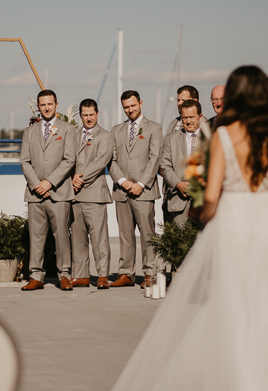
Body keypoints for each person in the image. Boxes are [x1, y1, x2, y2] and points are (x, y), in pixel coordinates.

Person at [112, 66, 268, 390]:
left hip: (234, 217)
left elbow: (208, 196)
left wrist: (211, 214)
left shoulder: (223, 135)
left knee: (232, 298)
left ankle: (234, 372)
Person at [20, 89, 78, 291]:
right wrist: (38, 184)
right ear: (38, 107)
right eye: (42, 104)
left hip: (59, 192)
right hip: (35, 194)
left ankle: (64, 275)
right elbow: (24, 162)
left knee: (62, 235)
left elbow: (69, 160)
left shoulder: (68, 130)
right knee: (36, 236)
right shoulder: (29, 132)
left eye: (50, 104)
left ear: (56, 104)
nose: (46, 107)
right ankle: (36, 275)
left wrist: (50, 183)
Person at [108, 90, 163, 289]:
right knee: (125, 234)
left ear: (140, 103)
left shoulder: (154, 128)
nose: (130, 110)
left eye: (133, 105)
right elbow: (111, 160)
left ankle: (150, 272)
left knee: (147, 234)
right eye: (126, 107)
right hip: (122, 190)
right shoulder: (116, 130)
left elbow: (155, 158)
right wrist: (122, 181)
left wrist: (140, 184)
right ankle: (126, 273)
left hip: (144, 191)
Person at [71, 99, 113, 289]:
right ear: (81, 116)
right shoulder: (73, 134)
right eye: (85, 115)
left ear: (97, 114)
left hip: (94, 192)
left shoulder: (105, 136)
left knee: (99, 237)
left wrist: (80, 177)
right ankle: (81, 275)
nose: (88, 118)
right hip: (74, 193)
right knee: (78, 237)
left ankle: (102, 274)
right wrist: (71, 177)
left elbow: (101, 161)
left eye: (91, 114)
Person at [160, 100, 203, 226]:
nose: (188, 121)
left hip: (203, 202)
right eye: (184, 117)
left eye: (191, 117)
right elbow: (165, 165)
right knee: (180, 244)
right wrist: (178, 184)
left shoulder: (211, 137)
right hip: (179, 201)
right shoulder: (170, 139)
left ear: (200, 117)